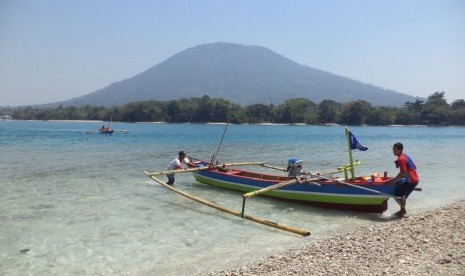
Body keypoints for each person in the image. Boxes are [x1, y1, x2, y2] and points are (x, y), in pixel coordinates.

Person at [385, 142, 419, 218]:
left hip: (411, 181)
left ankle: (403, 211)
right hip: (414, 179)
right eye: (393, 149)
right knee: (402, 195)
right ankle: (402, 210)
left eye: (395, 150)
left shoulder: (401, 159)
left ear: (401, 150)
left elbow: (403, 172)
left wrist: (393, 181)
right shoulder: (405, 156)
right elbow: (414, 167)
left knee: (397, 194)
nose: (394, 151)